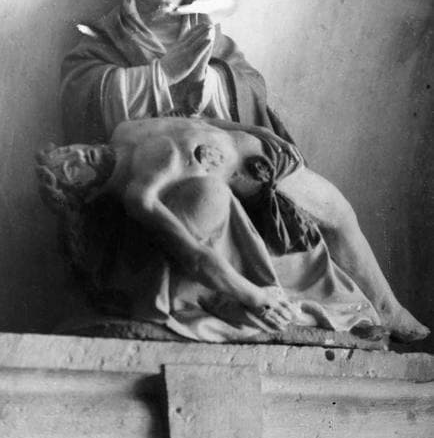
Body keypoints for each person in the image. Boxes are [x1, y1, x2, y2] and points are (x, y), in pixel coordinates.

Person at [60, 0, 428, 342]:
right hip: (185, 177)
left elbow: (250, 89)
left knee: (336, 209)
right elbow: (85, 101)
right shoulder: (104, 41)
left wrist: (211, 84)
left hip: (239, 154)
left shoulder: (207, 34)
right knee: (212, 204)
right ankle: (253, 301)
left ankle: (388, 308)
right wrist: (162, 75)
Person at [36, 116, 386, 342]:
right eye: (70, 168)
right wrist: (256, 296)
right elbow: (195, 255)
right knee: (340, 223)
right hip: (256, 182)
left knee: (344, 216)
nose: (79, 155)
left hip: (262, 149)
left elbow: (198, 121)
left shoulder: (125, 130)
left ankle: (389, 310)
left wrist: (259, 132)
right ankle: (386, 312)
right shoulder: (140, 194)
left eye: (68, 150)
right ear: (85, 192)